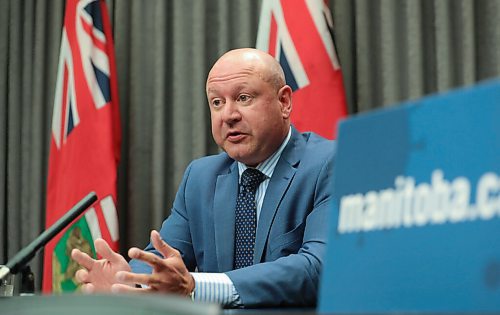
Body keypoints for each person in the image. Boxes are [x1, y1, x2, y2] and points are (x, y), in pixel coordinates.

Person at [71, 48, 335, 308]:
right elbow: (165, 257)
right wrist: (132, 283)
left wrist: (197, 286)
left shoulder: (328, 163)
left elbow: (317, 268)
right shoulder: (201, 177)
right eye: (217, 102)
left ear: (284, 102)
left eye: (243, 98)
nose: (229, 115)